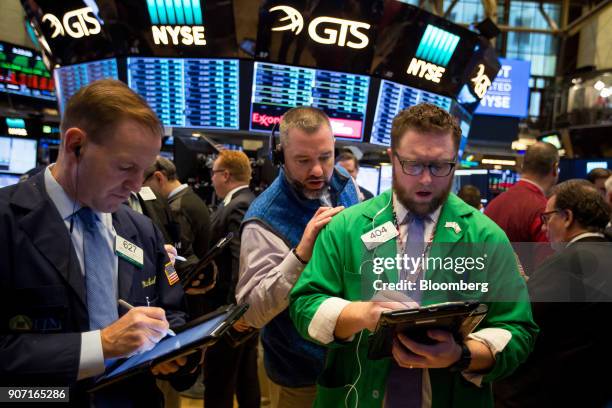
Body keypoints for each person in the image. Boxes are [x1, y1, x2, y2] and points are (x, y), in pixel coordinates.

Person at [289, 103, 538, 408]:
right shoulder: (345, 228)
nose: (425, 180)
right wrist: (362, 314)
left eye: (439, 166)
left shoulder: (487, 237)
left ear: (455, 162)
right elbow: (304, 306)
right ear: (393, 159)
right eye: (413, 165)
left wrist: (462, 354)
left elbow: (518, 331)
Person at [0, 79, 197, 406]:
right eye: (125, 167)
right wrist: (100, 346)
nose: (136, 186)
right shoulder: (7, 222)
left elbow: (170, 311)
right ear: (75, 145)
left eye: (144, 170)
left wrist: (175, 353)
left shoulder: (141, 228)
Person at [235, 106, 360, 408]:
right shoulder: (263, 220)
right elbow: (250, 313)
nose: (318, 170)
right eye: (303, 160)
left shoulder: (345, 182)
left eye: (325, 157)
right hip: (300, 373)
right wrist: (301, 254)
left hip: (353, 362)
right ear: (280, 158)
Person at [494, 180, 612, 407]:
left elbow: (522, 317)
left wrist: (514, 285)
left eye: (547, 218)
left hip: (547, 391)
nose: (545, 228)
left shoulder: (566, 262)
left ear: (567, 217)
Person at [204, 150, 259, 408]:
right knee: (244, 375)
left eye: (213, 173)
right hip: (240, 308)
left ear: (225, 174)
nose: (212, 179)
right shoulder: (242, 200)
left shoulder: (240, 204)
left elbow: (242, 259)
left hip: (230, 309)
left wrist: (233, 312)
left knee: (220, 378)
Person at [485, 142, 559, 243]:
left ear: (523, 166)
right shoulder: (542, 210)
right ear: (555, 168)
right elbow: (545, 257)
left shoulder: (493, 205)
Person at [143, 156, 211, 259]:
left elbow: (178, 254)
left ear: (159, 178)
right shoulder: (190, 196)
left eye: (142, 184)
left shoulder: (176, 208)